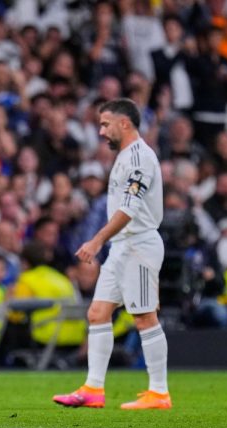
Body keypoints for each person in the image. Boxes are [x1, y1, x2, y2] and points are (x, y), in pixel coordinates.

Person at [53, 98, 171, 410]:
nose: (101, 130)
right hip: (122, 247)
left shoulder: (139, 158)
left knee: (144, 317)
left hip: (138, 244)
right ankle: (93, 389)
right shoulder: (124, 157)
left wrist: (96, 241)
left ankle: (159, 392)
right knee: (97, 313)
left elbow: (129, 210)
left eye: (105, 124)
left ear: (124, 123)